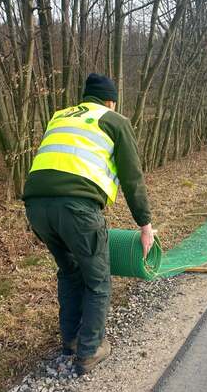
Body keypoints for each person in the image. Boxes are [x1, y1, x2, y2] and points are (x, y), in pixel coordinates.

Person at [22, 73, 154, 375]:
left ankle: (70, 341)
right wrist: (145, 224)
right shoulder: (114, 120)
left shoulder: (60, 116)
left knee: (69, 271)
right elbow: (132, 178)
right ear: (110, 100)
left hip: (36, 206)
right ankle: (90, 350)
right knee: (97, 278)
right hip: (77, 208)